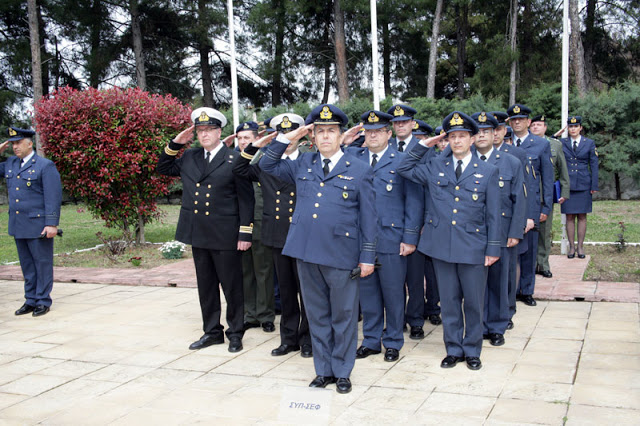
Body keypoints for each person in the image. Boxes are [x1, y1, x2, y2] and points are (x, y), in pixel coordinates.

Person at [257, 104, 377, 394]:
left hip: (341, 255)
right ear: (313, 137)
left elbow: (370, 217)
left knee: (344, 316)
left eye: (331, 131)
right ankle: (323, 371)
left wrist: (368, 256)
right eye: (320, 132)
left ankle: (343, 371)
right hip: (307, 252)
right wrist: (291, 137)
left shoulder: (360, 169)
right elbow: (266, 165)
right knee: (317, 315)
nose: (325, 137)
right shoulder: (303, 164)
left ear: (341, 136)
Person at [398, 111, 501, 371]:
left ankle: (472, 349)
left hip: (473, 247)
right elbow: (403, 168)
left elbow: (493, 214)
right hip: (441, 246)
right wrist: (425, 144)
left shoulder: (487, 171)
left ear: (472, 138)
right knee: (450, 301)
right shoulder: (434, 166)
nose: (457, 141)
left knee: (474, 303)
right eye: (452, 137)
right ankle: (453, 348)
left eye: (462, 136)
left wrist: (493, 247)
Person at [157, 107, 254, 353]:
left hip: (226, 233)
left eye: (209, 129)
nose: (204, 134)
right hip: (198, 232)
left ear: (220, 132)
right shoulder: (190, 157)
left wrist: (245, 232)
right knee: (206, 286)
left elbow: (246, 198)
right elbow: (163, 167)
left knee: (232, 287)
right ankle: (212, 331)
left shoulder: (234, 159)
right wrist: (176, 143)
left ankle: (235, 332)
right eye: (200, 130)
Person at [233, 113, 313, 358]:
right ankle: (288, 338)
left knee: (307, 292)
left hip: (304, 235)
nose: (287, 139)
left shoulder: (310, 161)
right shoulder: (266, 162)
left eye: (292, 134)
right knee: (287, 291)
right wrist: (258, 144)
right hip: (278, 234)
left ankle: (308, 339)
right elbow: (239, 168)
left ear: (300, 136)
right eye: (282, 134)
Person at [347, 110, 421, 362]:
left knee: (393, 293)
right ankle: (370, 340)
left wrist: (410, 237)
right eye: (368, 132)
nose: (373, 136)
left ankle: (392, 341)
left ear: (389, 134)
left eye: (378, 131)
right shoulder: (354, 159)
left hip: (391, 238)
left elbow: (413, 200)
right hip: (361, 240)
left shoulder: (402, 160)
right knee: (367, 293)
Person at [470, 112, 526, 347]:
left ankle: (497, 326)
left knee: (499, 281)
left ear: (496, 133)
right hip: (471, 234)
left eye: (487, 130)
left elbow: (519, 200)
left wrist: (515, 232)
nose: (482, 134)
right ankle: (478, 325)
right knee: (474, 283)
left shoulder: (510, 162)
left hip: (502, 232)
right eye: (478, 131)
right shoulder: (462, 160)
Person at [1, 127, 62, 317]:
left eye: (18, 143)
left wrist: (51, 223)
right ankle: (30, 299)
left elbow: (52, 196)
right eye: (12, 144)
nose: (15, 147)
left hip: (38, 224)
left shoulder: (44, 165)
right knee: (27, 265)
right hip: (19, 224)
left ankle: (43, 300)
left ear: (30, 143)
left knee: (41, 263)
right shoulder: (11, 163)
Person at [507, 104, 553, 308]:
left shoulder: (540, 145)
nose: (517, 122)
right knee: (511, 251)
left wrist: (545, 208)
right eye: (513, 119)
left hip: (532, 206)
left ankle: (526, 290)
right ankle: (510, 291)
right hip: (510, 206)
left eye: (521, 119)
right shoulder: (504, 142)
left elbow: (547, 179)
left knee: (529, 251)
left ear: (528, 122)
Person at [491, 112, 534, 331]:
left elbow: (525, 191)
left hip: (506, 225)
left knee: (507, 274)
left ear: (503, 130)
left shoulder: (516, 155)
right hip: (482, 229)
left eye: (498, 129)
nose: (495, 133)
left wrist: (520, 226)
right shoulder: (471, 154)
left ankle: (506, 312)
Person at [235, 121, 276, 333]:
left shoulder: (265, 159)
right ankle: (249, 314)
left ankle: (266, 315)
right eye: (240, 138)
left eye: (247, 138)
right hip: (239, 226)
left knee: (264, 272)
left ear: (256, 139)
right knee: (245, 272)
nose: (243, 142)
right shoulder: (233, 160)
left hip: (260, 223)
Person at [530, 115, 570, 276]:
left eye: (539, 125)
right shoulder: (525, 145)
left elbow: (563, 169)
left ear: (545, 127)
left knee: (544, 232)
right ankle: (530, 265)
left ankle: (543, 264)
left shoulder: (555, 145)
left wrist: (565, 190)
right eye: (533, 125)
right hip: (528, 194)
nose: (535, 128)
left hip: (546, 194)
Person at [560, 116, 599, 258]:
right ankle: (571, 248)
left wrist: (594, 185)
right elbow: (547, 145)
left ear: (580, 128)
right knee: (569, 216)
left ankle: (580, 247)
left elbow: (594, 164)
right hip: (568, 184)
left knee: (582, 216)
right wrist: (556, 135)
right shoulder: (562, 142)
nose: (573, 129)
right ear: (568, 128)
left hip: (583, 183)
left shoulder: (589, 143)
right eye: (570, 127)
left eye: (576, 127)